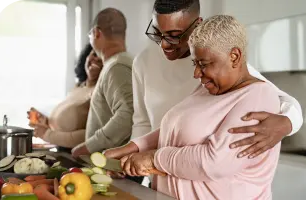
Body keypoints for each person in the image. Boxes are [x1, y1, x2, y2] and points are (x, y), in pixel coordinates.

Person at [105, 15, 282, 200]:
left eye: (203, 64)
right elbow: (174, 129)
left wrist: (153, 158)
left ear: (234, 56)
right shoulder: (207, 89)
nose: (197, 73)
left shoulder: (259, 98)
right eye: (195, 63)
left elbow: (214, 162)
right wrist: (133, 148)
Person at [104, 0, 303, 162]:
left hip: (199, 173)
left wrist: (286, 123)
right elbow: (142, 122)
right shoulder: (143, 61)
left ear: (197, 24)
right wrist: (130, 159)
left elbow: (287, 103)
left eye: (174, 35)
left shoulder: (218, 67)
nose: (164, 44)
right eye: (157, 33)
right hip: (158, 174)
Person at [71, 8, 134, 157]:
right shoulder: (122, 63)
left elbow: (128, 115)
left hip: (110, 167)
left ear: (96, 33)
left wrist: (88, 147)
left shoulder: (116, 67)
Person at [29, 44, 102, 149]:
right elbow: (66, 127)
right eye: (94, 54)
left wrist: (47, 134)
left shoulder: (99, 93)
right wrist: (46, 122)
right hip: (62, 154)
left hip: (78, 158)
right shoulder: (78, 87)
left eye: (102, 58)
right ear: (86, 57)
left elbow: (90, 136)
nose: (97, 59)